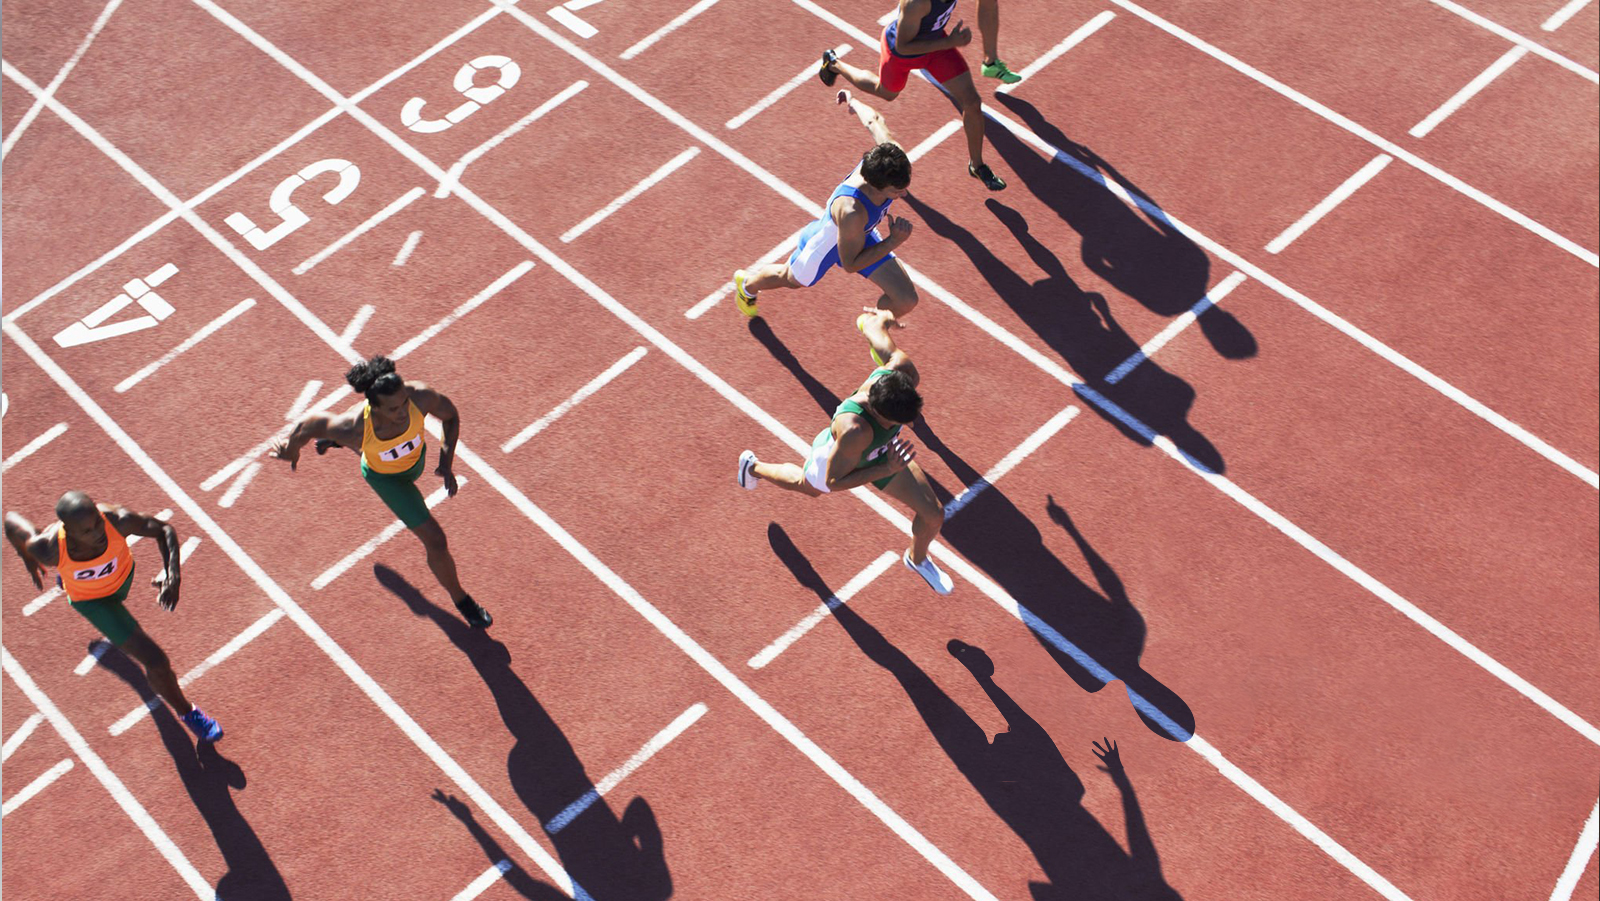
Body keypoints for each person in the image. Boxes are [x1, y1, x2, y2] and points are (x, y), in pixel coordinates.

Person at [736, 309, 953, 594]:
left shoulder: (902, 368)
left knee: (934, 514)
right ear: (879, 413)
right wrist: (885, 469)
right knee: (808, 486)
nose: (910, 424)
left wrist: (881, 319)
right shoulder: (854, 431)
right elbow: (833, 481)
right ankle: (753, 467)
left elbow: (875, 330)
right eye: (902, 421)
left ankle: (917, 559)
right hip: (841, 458)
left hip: (882, 452)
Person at [270, 355, 492, 629]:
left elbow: (451, 416)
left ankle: (337, 442)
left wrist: (446, 463)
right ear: (373, 407)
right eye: (393, 409)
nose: (403, 412)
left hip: (414, 460)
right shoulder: (353, 426)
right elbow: (309, 425)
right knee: (436, 540)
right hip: (387, 479)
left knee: (366, 443)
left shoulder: (420, 397)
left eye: (404, 402)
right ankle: (463, 601)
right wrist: (291, 450)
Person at [5, 492, 223, 742]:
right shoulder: (47, 548)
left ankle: (69, 575)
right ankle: (189, 713)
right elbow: (11, 521)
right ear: (69, 531)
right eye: (87, 531)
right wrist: (26, 557)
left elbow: (164, 530)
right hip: (94, 603)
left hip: (122, 579)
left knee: (81, 565)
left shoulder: (117, 520)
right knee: (156, 661)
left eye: (98, 522)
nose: (98, 532)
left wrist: (172, 575)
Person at [734, 91, 919, 321]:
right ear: (875, 185)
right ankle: (747, 285)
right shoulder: (851, 211)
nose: (904, 193)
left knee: (905, 299)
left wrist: (853, 102)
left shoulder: (891, 158)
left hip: (861, 233)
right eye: (896, 191)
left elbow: (874, 121)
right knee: (791, 278)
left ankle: (874, 329)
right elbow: (850, 264)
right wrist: (893, 241)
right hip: (828, 245)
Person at [817, 0, 1009, 191]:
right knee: (886, 92)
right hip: (902, 54)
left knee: (972, 103)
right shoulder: (916, 3)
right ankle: (834, 64)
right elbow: (903, 46)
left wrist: (989, 56)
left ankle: (977, 165)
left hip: (936, 47)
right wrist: (949, 42)